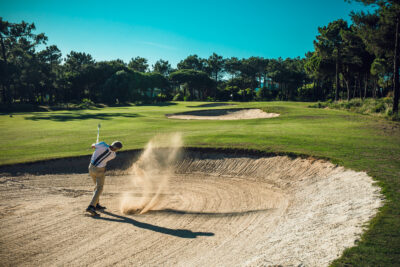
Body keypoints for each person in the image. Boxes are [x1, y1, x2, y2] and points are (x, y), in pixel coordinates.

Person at [86, 140, 123, 216]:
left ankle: (96, 204)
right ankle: (91, 206)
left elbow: (92, 146)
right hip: (99, 171)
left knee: (97, 187)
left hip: (91, 168)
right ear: (117, 149)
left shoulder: (102, 144)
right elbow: (107, 151)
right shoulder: (113, 155)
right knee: (99, 188)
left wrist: (95, 144)